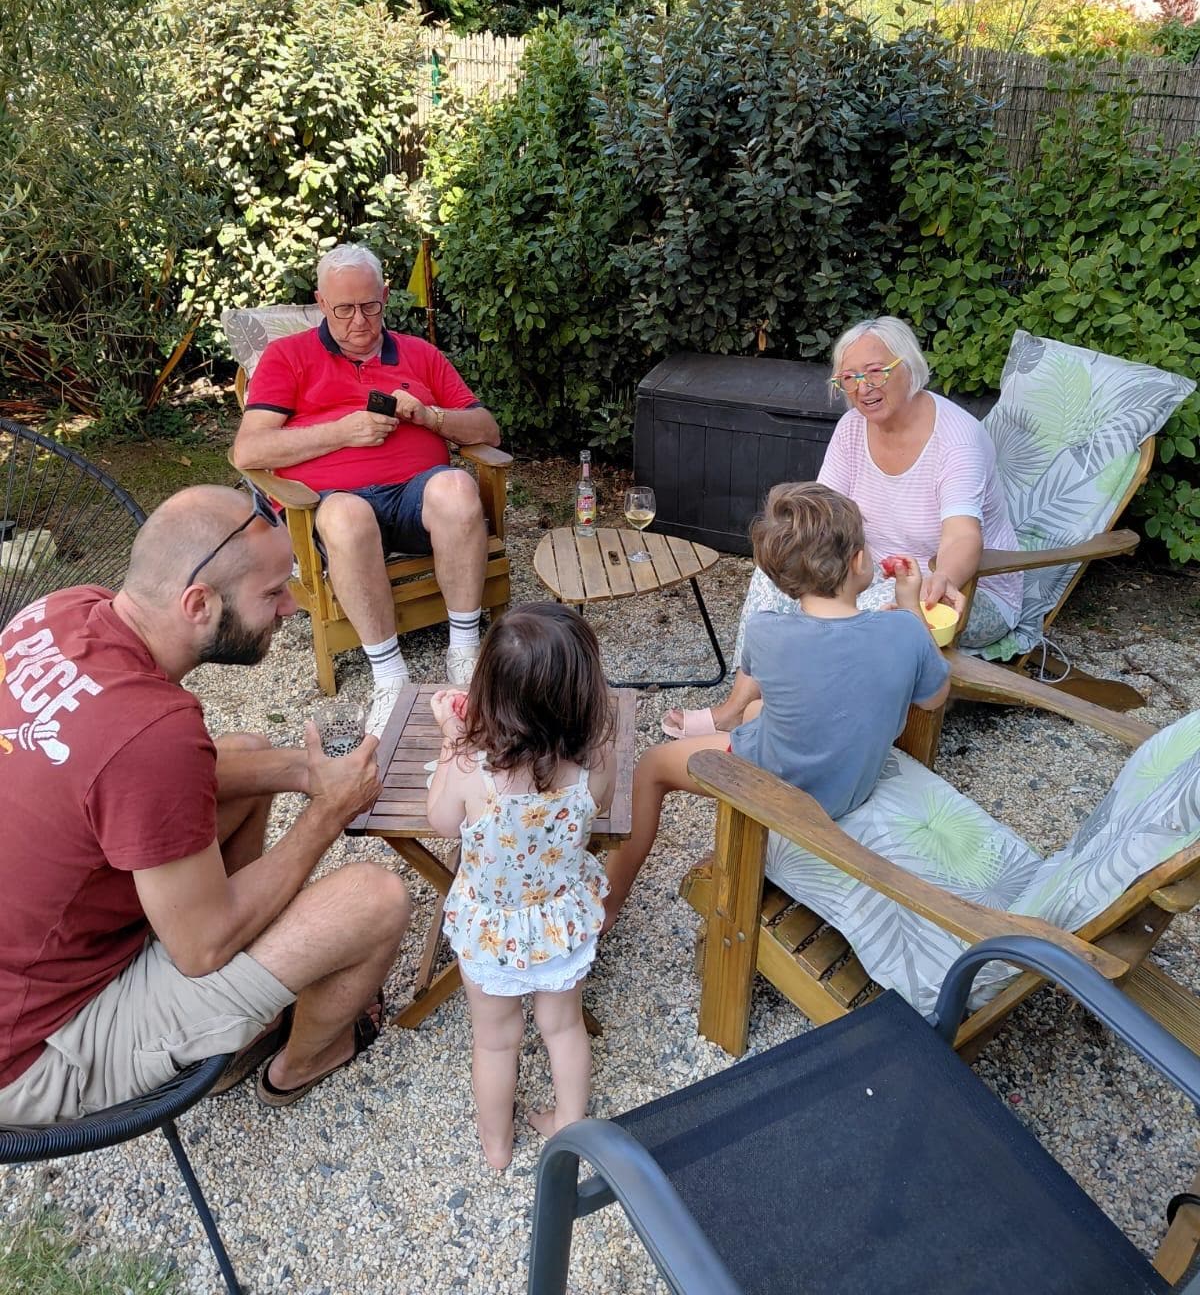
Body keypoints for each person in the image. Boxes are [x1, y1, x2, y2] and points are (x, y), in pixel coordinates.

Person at [0, 484, 411, 1126]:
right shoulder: (153, 734)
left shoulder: (62, 610)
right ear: (198, 604)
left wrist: (302, 771)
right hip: (35, 1048)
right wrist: (327, 813)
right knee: (376, 900)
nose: (292, 607)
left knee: (247, 756)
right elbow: (202, 948)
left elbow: (142, 773)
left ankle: (248, 1019)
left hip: (35, 948)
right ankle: (299, 1065)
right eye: (273, 593)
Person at [604, 483, 952, 928]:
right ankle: (734, 721)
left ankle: (608, 907)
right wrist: (910, 608)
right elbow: (935, 697)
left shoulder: (766, 631)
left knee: (652, 765)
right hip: (848, 787)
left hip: (774, 789)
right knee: (760, 714)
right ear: (859, 560)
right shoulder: (904, 632)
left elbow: (808, 671)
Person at [663, 314, 1020, 740]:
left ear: (909, 366)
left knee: (855, 608)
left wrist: (945, 575)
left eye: (875, 372)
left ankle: (791, 718)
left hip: (955, 590)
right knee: (775, 576)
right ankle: (736, 709)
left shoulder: (957, 438)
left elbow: (963, 535)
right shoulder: (852, 427)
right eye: (849, 378)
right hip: (864, 569)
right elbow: (823, 516)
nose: (863, 387)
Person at [231, 243, 503, 737]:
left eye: (370, 306)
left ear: (386, 296)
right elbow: (248, 451)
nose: (359, 320)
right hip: (337, 507)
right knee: (347, 516)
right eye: (343, 309)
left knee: (458, 487)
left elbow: (487, 429)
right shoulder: (286, 356)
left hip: (417, 500)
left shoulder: (419, 354)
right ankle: (390, 676)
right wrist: (342, 432)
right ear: (321, 302)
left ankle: (464, 652)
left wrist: (430, 416)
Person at [425, 603, 614, 1170]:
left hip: (491, 928)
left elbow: (441, 821)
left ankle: (497, 1145)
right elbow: (598, 808)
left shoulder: (472, 772)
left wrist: (451, 739)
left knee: (495, 1040)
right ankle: (569, 1128)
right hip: (560, 921)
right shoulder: (595, 763)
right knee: (564, 1028)